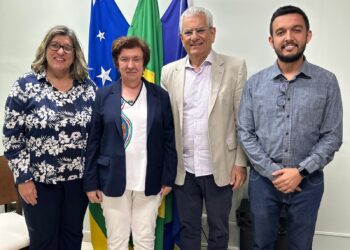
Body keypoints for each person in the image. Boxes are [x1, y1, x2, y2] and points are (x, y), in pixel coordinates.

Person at [238, 5, 343, 250]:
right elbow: (246, 132)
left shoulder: (327, 82)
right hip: (263, 182)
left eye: (296, 30)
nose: (288, 38)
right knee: (261, 244)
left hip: (308, 183)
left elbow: (333, 135)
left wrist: (300, 172)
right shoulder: (255, 83)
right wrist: (274, 172)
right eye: (281, 32)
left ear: (308, 35)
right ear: (271, 39)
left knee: (301, 246)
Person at [2, 25, 96, 250]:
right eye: (55, 45)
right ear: (45, 49)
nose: (60, 52)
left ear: (75, 55)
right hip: (38, 184)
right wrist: (23, 179)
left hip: (77, 183)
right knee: (44, 243)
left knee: (72, 240)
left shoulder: (88, 88)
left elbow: (96, 136)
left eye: (67, 47)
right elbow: (12, 138)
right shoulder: (25, 86)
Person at [161, 6, 247, 250]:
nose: (194, 37)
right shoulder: (169, 72)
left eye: (200, 30)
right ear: (181, 38)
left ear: (213, 33)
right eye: (188, 32)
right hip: (184, 169)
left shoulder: (234, 67)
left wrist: (240, 162)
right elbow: (167, 125)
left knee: (220, 229)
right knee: (188, 228)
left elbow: (242, 119)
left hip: (220, 166)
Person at [83, 36, 177, 250]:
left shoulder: (160, 96)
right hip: (112, 180)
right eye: (124, 59)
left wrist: (168, 177)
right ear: (117, 63)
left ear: (144, 63)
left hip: (149, 180)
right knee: (117, 240)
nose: (131, 65)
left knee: (145, 239)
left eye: (136, 59)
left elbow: (169, 140)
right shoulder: (104, 95)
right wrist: (90, 182)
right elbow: (93, 141)